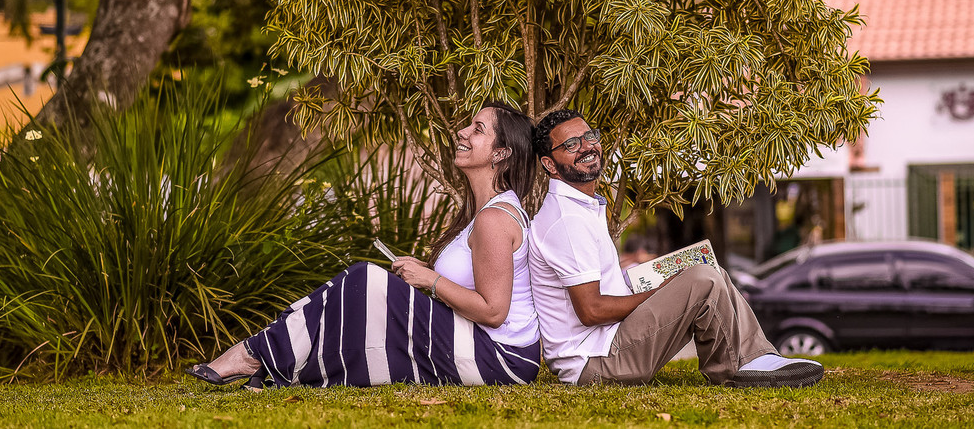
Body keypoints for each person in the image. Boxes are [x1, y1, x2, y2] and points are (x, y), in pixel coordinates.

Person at [187, 102, 540, 388]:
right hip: (483, 344)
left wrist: (429, 280)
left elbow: (493, 312)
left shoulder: (494, 219)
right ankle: (266, 360)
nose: (462, 132)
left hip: (501, 358)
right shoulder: (485, 212)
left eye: (477, 129)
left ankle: (253, 355)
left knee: (365, 280)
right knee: (359, 299)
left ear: (500, 153)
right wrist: (423, 274)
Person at [527, 108, 824, 388]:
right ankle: (737, 367)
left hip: (608, 343)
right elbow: (591, 311)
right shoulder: (567, 220)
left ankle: (755, 357)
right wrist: (660, 291)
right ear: (550, 164)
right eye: (571, 144)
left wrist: (648, 278)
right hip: (596, 362)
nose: (587, 147)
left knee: (711, 272)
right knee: (702, 280)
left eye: (590, 136)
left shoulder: (579, 208)